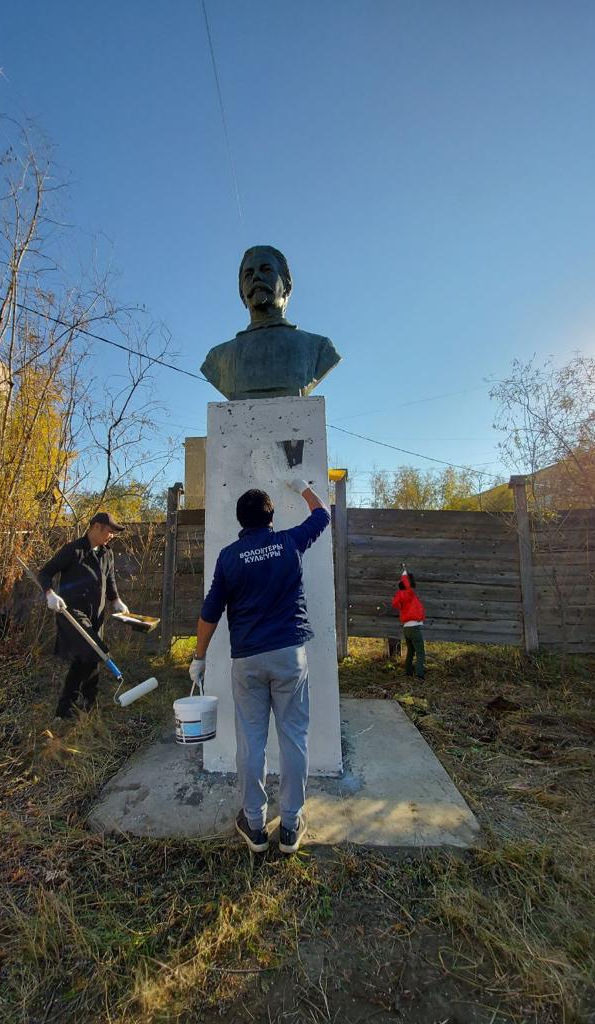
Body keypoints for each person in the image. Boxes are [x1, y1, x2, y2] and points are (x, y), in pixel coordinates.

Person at [189, 478, 330, 854]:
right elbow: (322, 515)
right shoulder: (288, 542)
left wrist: (199, 658)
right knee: (293, 738)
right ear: (271, 518)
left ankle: (254, 825)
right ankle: (290, 824)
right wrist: (303, 487)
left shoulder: (229, 557)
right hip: (288, 656)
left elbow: (210, 612)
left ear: (240, 521)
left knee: (251, 741)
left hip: (248, 660)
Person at [200, 245, 341, 400]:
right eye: (248, 274)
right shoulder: (218, 358)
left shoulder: (319, 348)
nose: (256, 277)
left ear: (287, 285)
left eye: (266, 270)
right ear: (242, 293)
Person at [38, 512, 129, 720]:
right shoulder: (74, 550)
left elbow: (111, 579)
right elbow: (45, 573)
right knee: (96, 651)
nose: (112, 535)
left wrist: (116, 601)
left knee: (85, 660)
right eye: (109, 530)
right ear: (96, 527)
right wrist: (50, 594)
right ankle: (85, 704)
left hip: (96, 615)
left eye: (114, 533)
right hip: (72, 613)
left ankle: (70, 709)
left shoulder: (107, 553)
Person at [391, 567, 426, 680]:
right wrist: (405, 574)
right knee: (420, 652)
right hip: (414, 627)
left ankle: (408, 671)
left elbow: (395, 603)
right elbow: (407, 585)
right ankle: (419, 674)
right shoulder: (409, 593)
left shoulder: (400, 595)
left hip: (406, 628)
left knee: (411, 651)